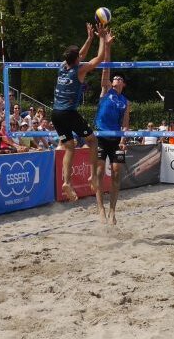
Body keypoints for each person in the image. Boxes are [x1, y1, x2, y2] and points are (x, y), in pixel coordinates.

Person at [53, 23, 109, 201]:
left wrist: (89, 38)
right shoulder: (80, 70)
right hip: (68, 112)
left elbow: (81, 55)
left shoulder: (63, 66)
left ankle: (67, 182)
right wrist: (101, 37)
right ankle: (92, 175)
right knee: (92, 141)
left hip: (55, 114)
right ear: (77, 59)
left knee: (69, 147)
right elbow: (98, 59)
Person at [93, 38, 129, 225]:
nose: (116, 79)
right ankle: (100, 209)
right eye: (115, 78)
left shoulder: (125, 102)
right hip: (100, 137)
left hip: (116, 139)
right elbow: (105, 68)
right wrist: (107, 45)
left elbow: (125, 124)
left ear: (123, 84)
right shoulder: (106, 90)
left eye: (120, 79)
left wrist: (124, 139)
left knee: (116, 173)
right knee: (99, 173)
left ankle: (113, 211)